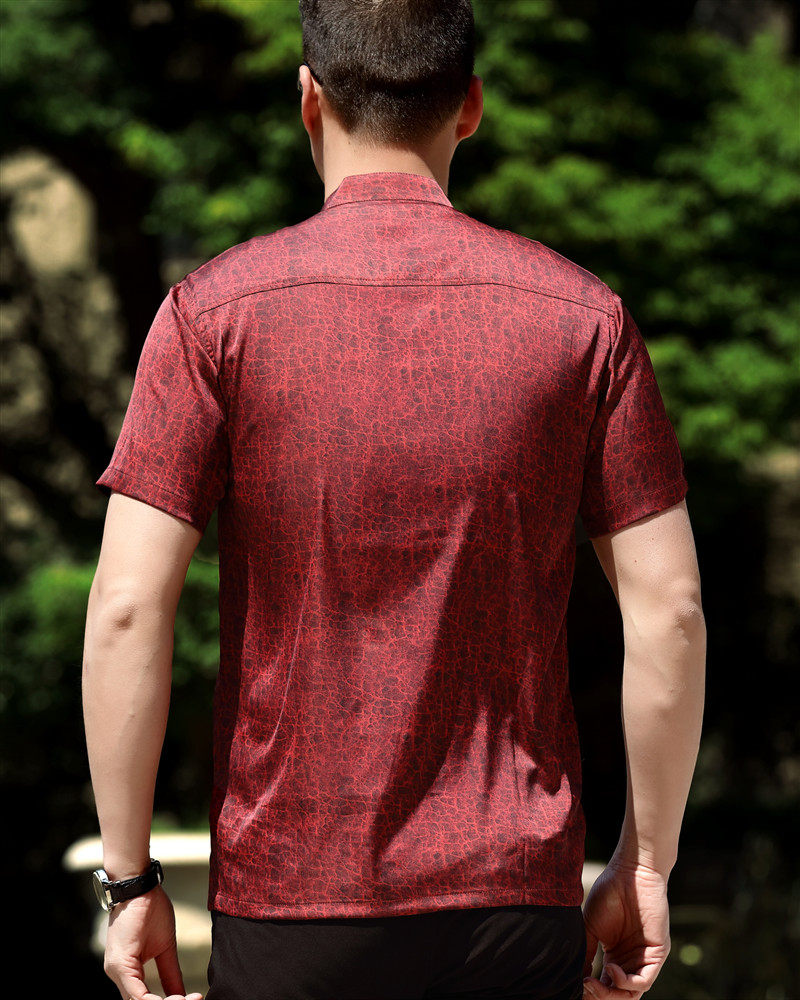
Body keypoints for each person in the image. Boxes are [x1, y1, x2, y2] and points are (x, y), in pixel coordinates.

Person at [83, 1, 707, 999]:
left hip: (290, 906)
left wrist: (129, 882)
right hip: (510, 902)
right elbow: (669, 608)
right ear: (470, 107)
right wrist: (644, 862)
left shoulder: (212, 316)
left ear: (308, 99)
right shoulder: (585, 321)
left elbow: (125, 606)